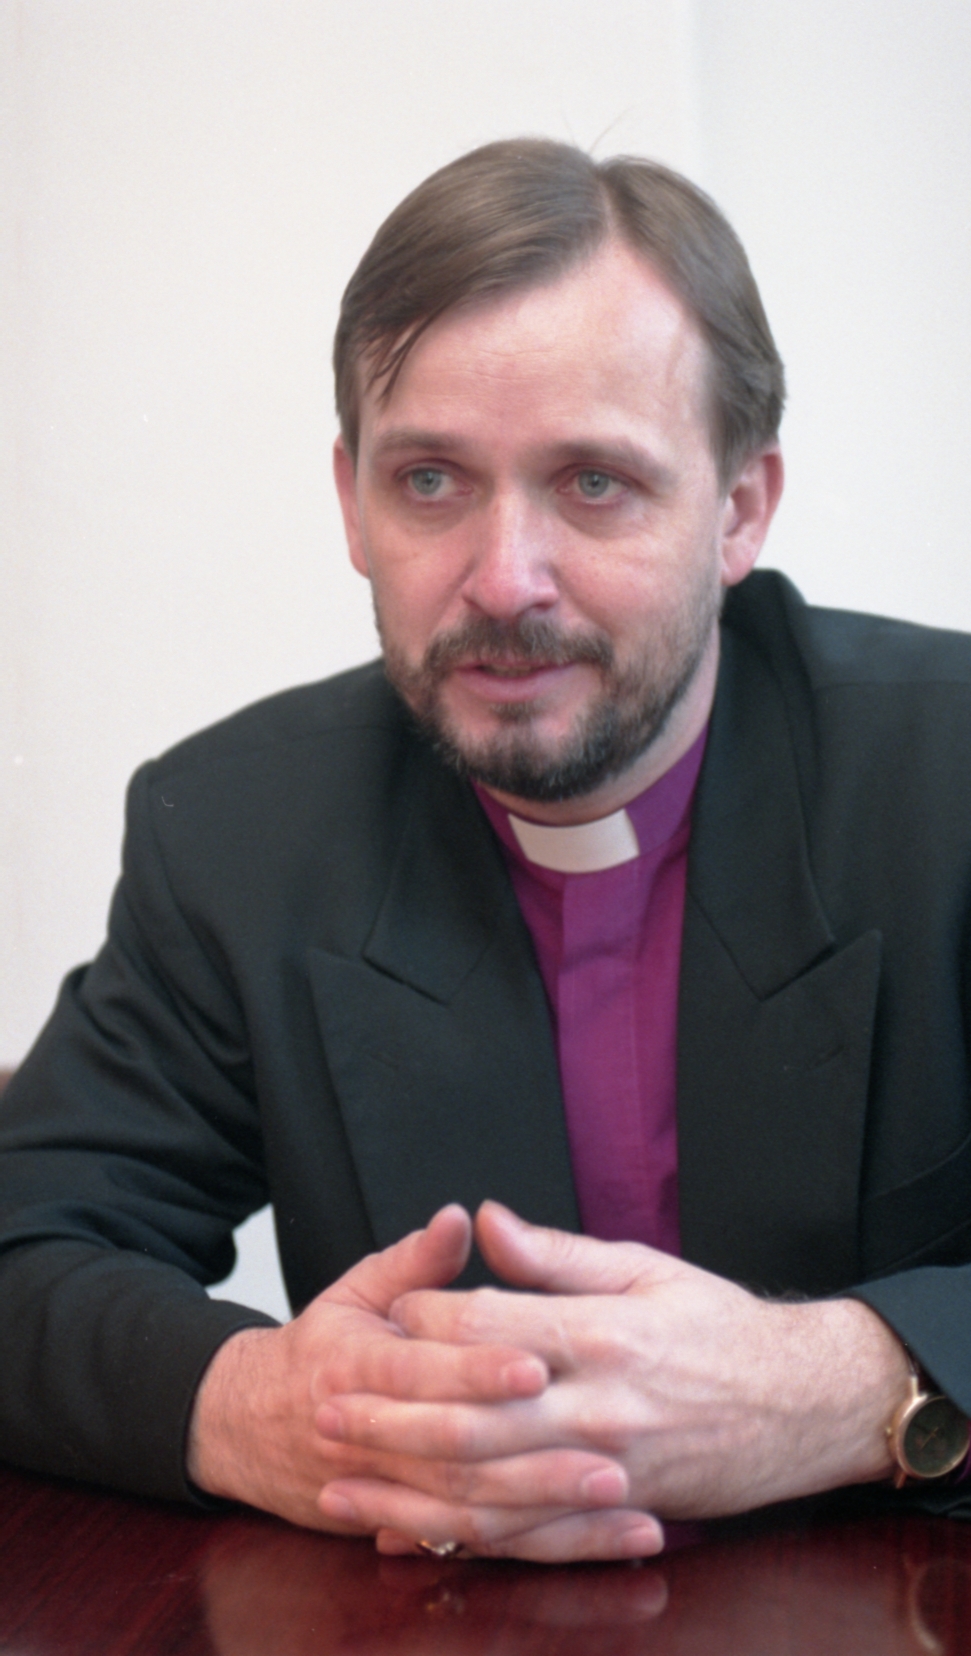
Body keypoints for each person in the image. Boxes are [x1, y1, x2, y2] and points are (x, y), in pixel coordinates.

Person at [3, 138, 971, 1565]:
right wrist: (260, 1403)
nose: (505, 578)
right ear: (353, 501)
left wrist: (847, 1385)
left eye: (594, 483)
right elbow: (24, 1249)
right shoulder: (235, 834)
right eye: (432, 480)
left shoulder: (950, 777)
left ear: (740, 509)